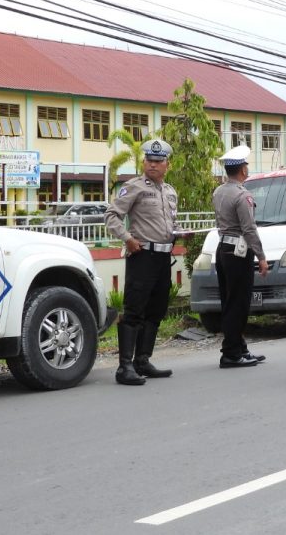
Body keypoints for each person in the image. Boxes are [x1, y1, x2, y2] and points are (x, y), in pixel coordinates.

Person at [105, 138, 193, 386]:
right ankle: (124, 367)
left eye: (158, 161)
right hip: (142, 255)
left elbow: (170, 223)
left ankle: (142, 360)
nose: (153, 165)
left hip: (163, 257)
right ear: (144, 162)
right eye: (149, 160)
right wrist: (127, 238)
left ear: (167, 165)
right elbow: (111, 216)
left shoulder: (170, 191)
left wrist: (180, 232)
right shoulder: (133, 187)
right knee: (134, 309)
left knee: (156, 309)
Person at [212, 145, 269, 368]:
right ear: (243, 170)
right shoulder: (242, 195)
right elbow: (249, 229)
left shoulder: (219, 191)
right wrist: (261, 256)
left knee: (229, 300)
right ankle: (231, 353)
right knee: (239, 303)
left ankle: (239, 346)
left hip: (223, 249)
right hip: (239, 252)